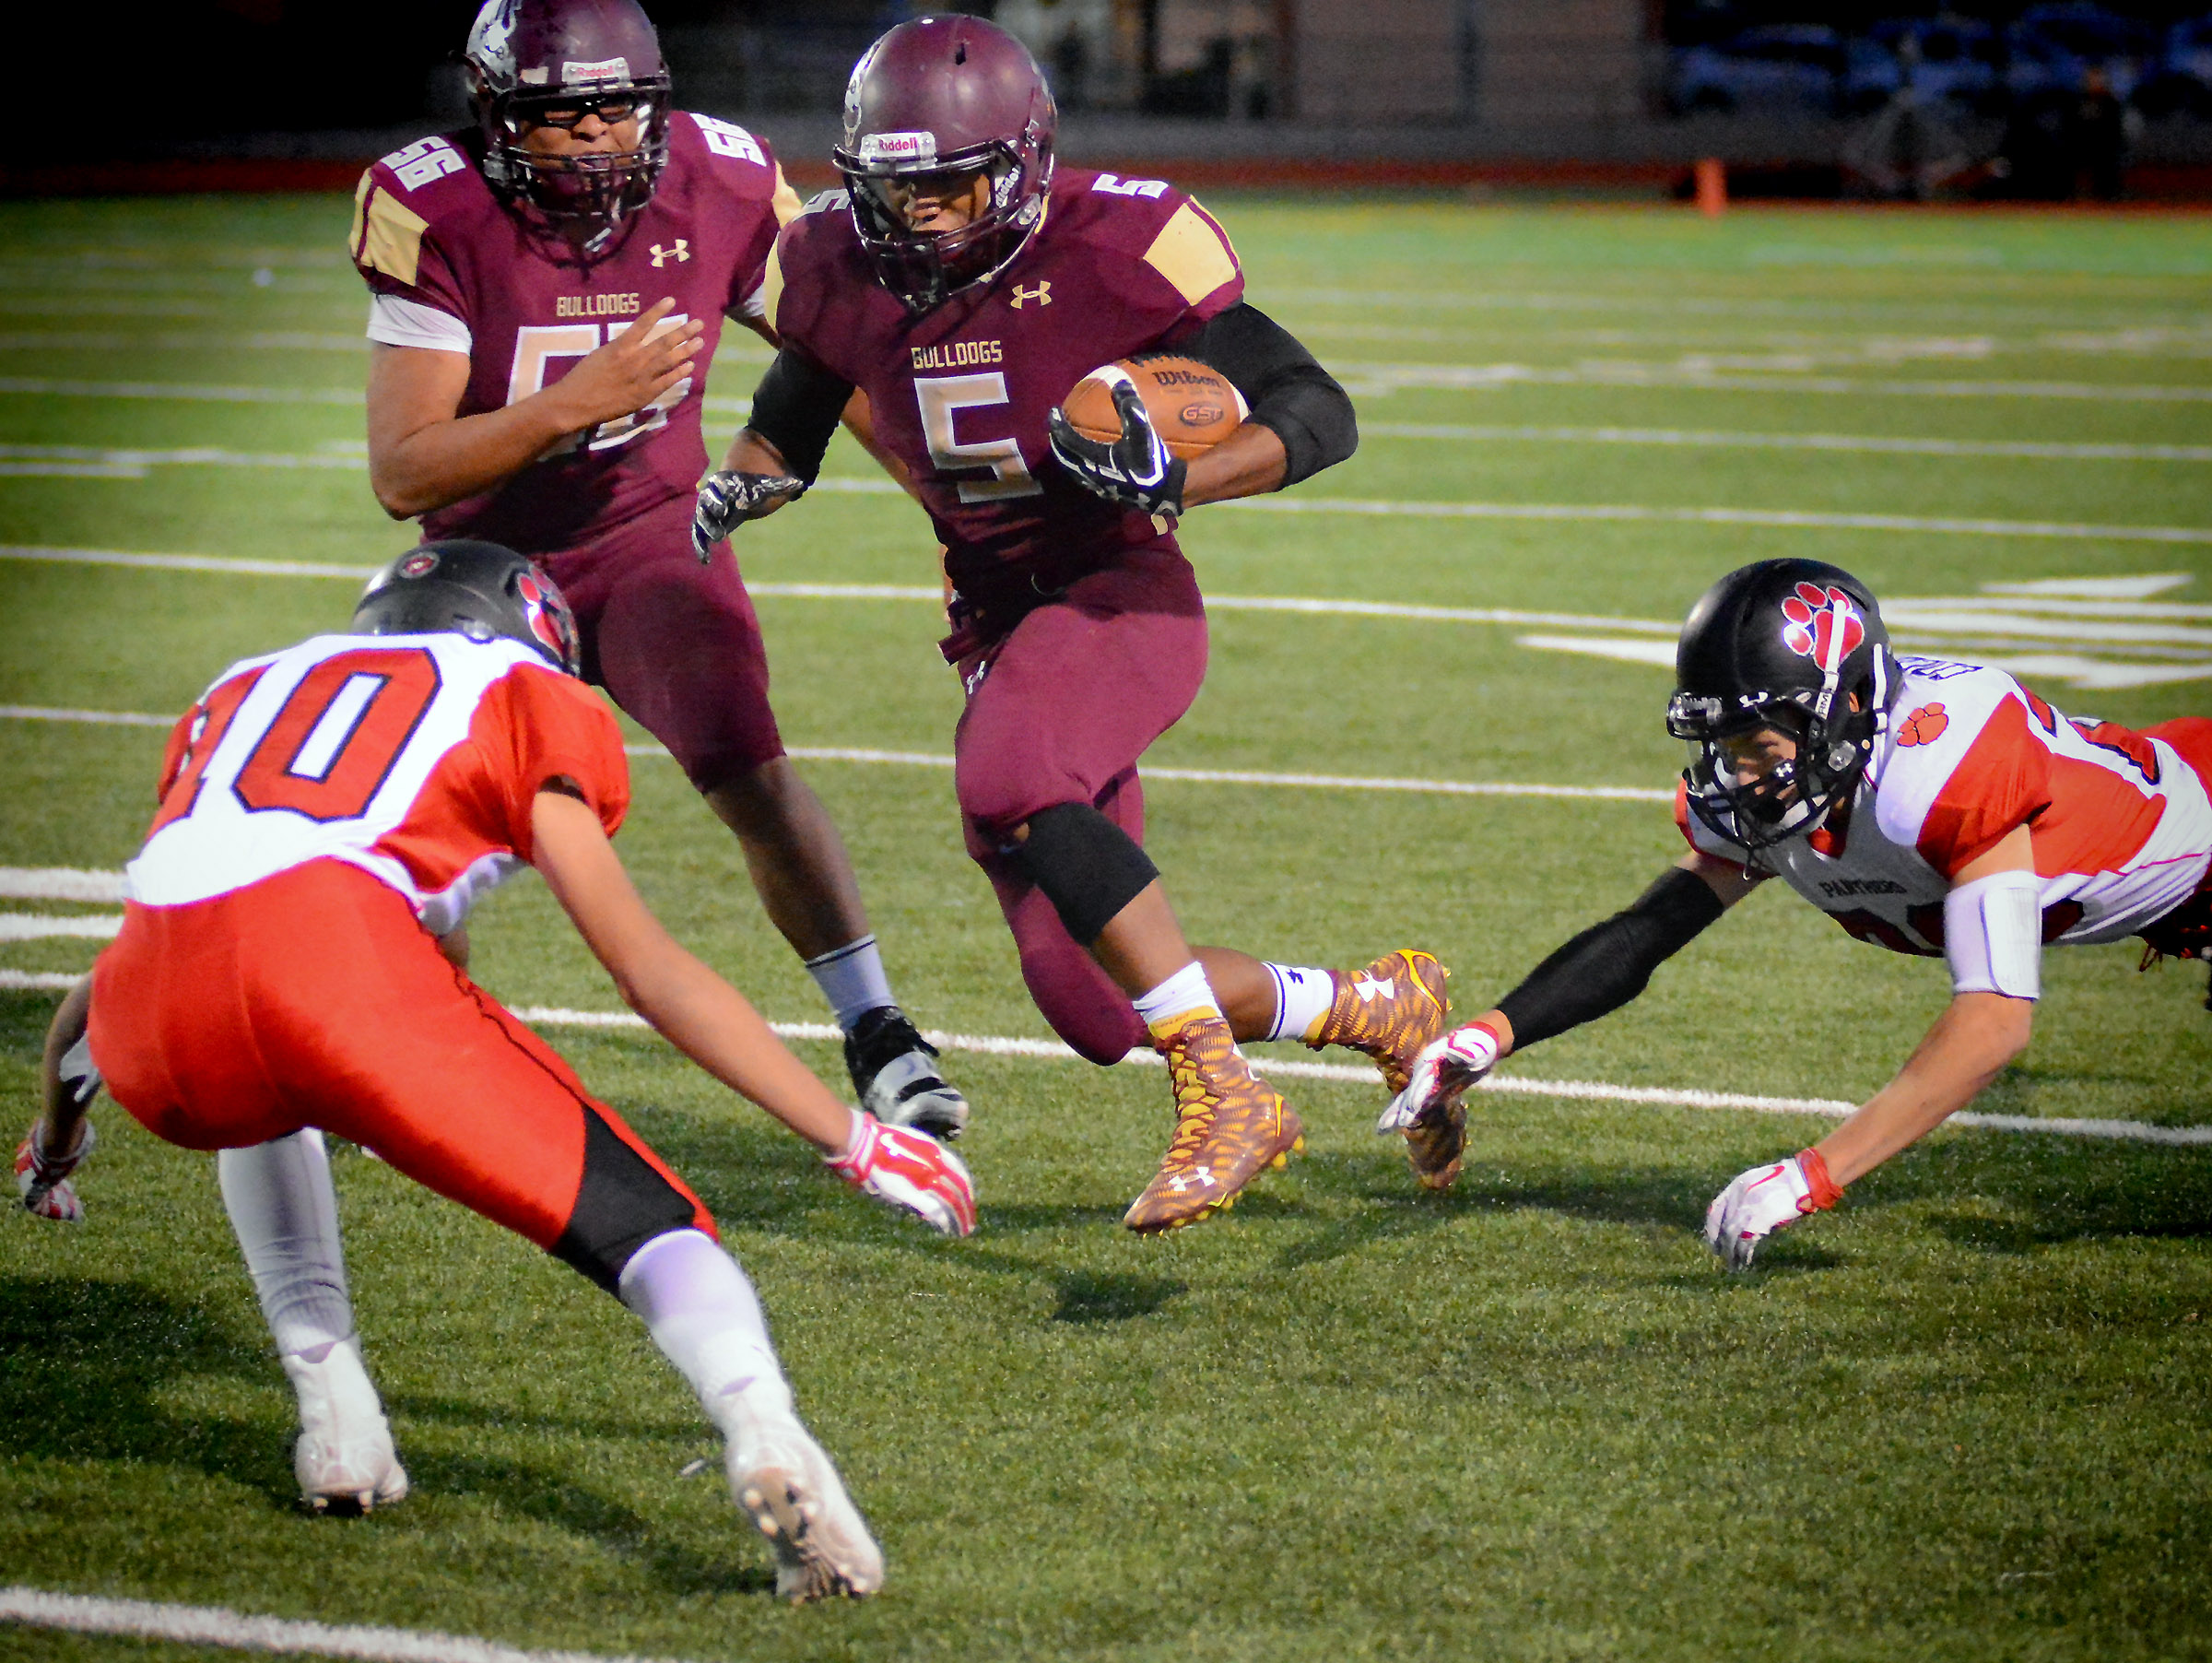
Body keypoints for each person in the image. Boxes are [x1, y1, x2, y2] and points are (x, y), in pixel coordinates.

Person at [14, 542, 976, 1602]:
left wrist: (53, 1143)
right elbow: (646, 969)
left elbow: (140, 960)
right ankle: (766, 1428)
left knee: (262, 1092)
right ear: (529, 632)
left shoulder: (242, 688)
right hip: (333, 977)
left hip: (151, 1021)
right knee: (651, 1231)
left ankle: (336, 1420)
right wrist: (851, 1137)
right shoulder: (516, 691)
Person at [688, 16, 1451, 1233]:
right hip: (996, 628)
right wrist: (737, 486)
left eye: (956, 183)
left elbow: (1319, 408)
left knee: (1006, 773)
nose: (929, 215)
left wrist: (1180, 480)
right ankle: (1367, 1005)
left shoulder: (1120, 246)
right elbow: (797, 408)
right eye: (902, 188)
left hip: (1120, 599)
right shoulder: (839, 266)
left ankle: (1227, 1098)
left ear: (1026, 160)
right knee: (1098, 1010)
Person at [348, 0, 966, 1138]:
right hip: (480, 562)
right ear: (492, 112)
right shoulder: (435, 205)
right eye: (558, 115)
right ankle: (406, 1039)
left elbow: (838, 360)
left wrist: (952, 514)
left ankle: (878, 1029)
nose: (593, 138)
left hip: (645, 533)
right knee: (412, 822)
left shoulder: (718, 180)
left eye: (615, 110)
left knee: (752, 770)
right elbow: (406, 472)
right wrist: (578, 402)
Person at [1381, 558, 2212, 1267]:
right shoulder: (1780, 783)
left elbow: (1994, 1021)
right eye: (1724, 746)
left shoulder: (1943, 764)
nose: (1739, 776)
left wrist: (1815, 1174)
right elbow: (1647, 932)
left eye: (1762, 746)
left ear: (1849, 707)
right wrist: (1488, 1035)